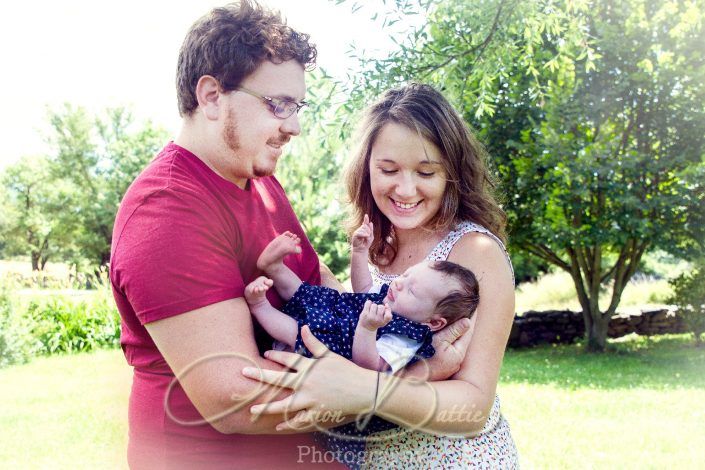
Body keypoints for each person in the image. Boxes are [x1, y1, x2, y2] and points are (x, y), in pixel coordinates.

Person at [110, 2, 471, 468]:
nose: (294, 126)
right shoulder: (166, 210)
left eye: (297, 106)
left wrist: (388, 348)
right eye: (278, 105)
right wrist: (413, 379)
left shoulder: (260, 184)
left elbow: (325, 293)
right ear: (212, 96)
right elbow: (234, 396)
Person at [242, 83, 519, 468]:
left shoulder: (474, 252)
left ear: (452, 173)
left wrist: (365, 390)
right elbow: (357, 318)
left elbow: (472, 408)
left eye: (426, 172)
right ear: (367, 168)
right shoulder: (379, 242)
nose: (405, 189)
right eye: (388, 170)